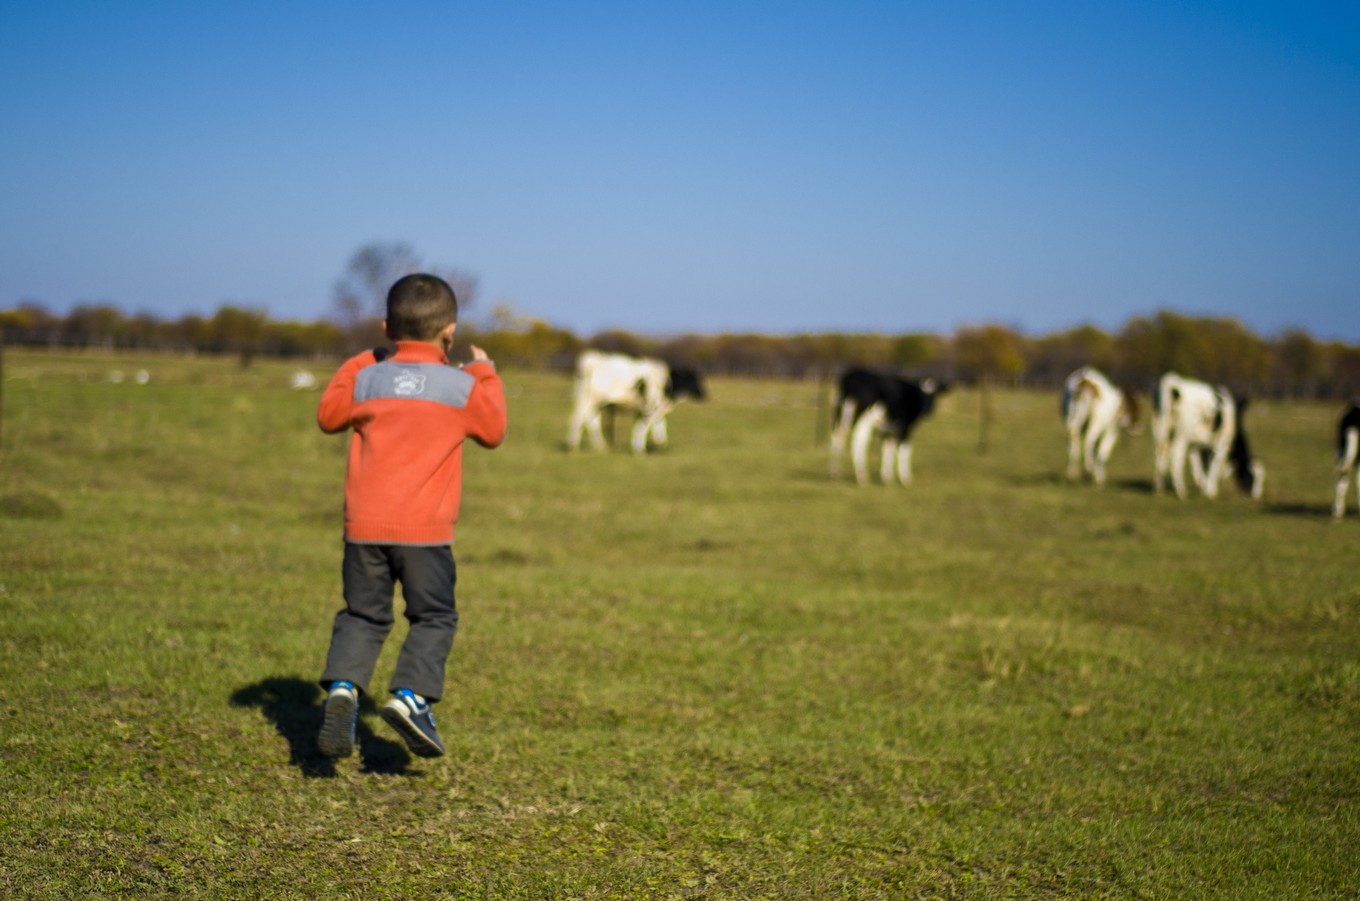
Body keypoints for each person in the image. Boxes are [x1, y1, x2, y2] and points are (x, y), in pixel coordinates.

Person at [314, 273, 507, 759]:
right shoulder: (460, 386)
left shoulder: (366, 378)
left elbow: (329, 416)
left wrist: (362, 360)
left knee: (363, 615)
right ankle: (410, 697)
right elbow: (493, 430)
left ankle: (343, 689)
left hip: (363, 531)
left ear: (386, 328)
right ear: (450, 332)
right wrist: (485, 373)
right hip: (425, 535)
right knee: (434, 616)